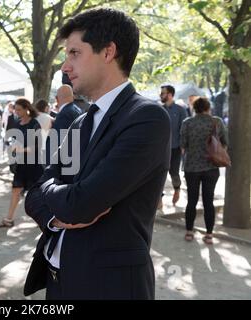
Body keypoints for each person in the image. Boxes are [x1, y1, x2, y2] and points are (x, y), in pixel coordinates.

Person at [23, 7, 171, 299]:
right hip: (58, 281)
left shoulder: (147, 117)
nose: (65, 66)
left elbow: (82, 204)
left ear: (108, 52)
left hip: (108, 287)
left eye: (75, 53)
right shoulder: (82, 120)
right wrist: (56, 213)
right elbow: (35, 194)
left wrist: (55, 192)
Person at [180, 97, 227, 245]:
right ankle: (208, 235)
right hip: (211, 167)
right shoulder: (217, 121)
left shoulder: (187, 123)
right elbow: (225, 142)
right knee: (208, 201)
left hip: (192, 167)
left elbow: (183, 145)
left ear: (194, 108)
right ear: (208, 107)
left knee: (191, 200)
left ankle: (189, 232)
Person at [0, 98, 43, 228]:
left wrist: (22, 149)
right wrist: (12, 146)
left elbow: (37, 146)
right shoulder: (17, 123)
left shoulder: (34, 124)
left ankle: (49, 219)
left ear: (27, 108)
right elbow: (14, 141)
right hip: (21, 164)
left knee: (40, 193)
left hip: (34, 164)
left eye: (19, 109)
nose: (16, 112)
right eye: (15, 109)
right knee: (16, 190)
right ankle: (9, 219)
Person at [160, 85, 188, 205]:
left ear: (170, 94)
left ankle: (177, 189)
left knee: (174, 172)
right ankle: (159, 198)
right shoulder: (159, 109)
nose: (161, 95)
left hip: (176, 148)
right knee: (159, 173)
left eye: (163, 93)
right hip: (160, 148)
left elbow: (184, 129)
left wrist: (183, 146)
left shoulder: (180, 110)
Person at [46, 85, 82, 164]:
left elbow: (59, 142)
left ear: (57, 98)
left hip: (61, 163)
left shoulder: (64, 114)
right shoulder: (77, 110)